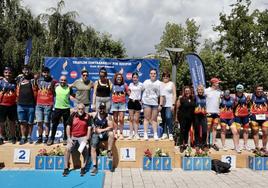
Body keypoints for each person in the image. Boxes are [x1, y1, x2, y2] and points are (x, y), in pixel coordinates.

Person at [62, 103, 92, 177]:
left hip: (83, 137)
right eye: (79, 109)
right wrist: (69, 138)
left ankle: (83, 167)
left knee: (85, 148)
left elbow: (89, 128)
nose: (81, 110)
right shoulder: (73, 115)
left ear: (84, 109)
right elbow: (68, 127)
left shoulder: (87, 116)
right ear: (77, 109)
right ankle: (66, 168)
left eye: (82, 109)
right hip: (73, 137)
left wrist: (86, 138)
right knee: (67, 148)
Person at [47, 75, 73, 146]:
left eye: (64, 80)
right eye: (61, 80)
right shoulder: (56, 87)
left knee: (66, 125)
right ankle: (51, 138)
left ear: (66, 81)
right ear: (59, 80)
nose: (63, 81)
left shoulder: (69, 88)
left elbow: (72, 96)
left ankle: (65, 138)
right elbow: (51, 83)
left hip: (66, 109)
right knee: (54, 124)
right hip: (57, 108)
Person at [90, 102, 114, 176]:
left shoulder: (108, 116)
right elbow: (85, 114)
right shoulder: (94, 114)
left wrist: (101, 130)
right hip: (96, 134)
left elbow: (111, 126)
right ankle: (94, 166)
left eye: (103, 108)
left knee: (111, 133)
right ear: (98, 108)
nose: (102, 110)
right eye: (100, 108)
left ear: (105, 109)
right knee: (93, 147)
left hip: (104, 133)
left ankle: (109, 151)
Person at [16, 65, 38, 145]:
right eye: (25, 70)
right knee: (22, 122)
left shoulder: (33, 79)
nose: (26, 71)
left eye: (28, 70)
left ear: (30, 70)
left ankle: (29, 137)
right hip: (20, 104)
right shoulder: (19, 79)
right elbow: (9, 80)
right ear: (22, 71)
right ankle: (23, 137)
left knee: (30, 122)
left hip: (31, 104)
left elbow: (39, 76)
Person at [35, 67, 57, 144]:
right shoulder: (38, 80)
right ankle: (40, 137)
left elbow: (55, 93)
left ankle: (46, 137)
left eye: (47, 72)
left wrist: (54, 104)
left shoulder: (53, 81)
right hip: (39, 104)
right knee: (39, 122)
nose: (46, 74)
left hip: (48, 104)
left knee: (47, 122)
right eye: (44, 72)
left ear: (49, 73)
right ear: (42, 73)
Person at [142, 68, 164, 141]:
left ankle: (155, 134)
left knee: (154, 119)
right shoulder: (146, 82)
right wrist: (140, 100)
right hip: (146, 102)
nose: (153, 75)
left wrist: (160, 104)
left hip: (155, 103)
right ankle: (145, 134)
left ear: (156, 74)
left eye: (154, 73)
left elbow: (161, 95)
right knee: (146, 118)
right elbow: (140, 90)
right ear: (149, 74)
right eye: (151, 73)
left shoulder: (159, 83)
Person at [0, 67, 17, 145]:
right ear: (4, 73)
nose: (8, 74)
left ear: (11, 73)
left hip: (12, 105)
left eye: (9, 73)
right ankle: (1, 137)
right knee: (1, 122)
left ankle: (12, 137)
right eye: (6, 73)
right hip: (2, 104)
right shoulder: (0, 82)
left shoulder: (15, 82)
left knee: (12, 122)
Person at [205, 77, 222, 151]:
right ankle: (206, 143)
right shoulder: (206, 90)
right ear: (213, 83)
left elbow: (220, 102)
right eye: (218, 83)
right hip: (209, 112)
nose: (218, 84)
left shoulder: (219, 92)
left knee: (215, 128)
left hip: (216, 113)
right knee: (208, 129)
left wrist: (220, 110)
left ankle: (213, 143)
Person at [176, 86, 195, 152]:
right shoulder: (181, 98)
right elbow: (177, 108)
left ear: (190, 91)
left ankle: (186, 144)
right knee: (182, 131)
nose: (187, 92)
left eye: (188, 90)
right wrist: (176, 118)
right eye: (186, 91)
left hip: (190, 117)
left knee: (187, 131)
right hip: (182, 117)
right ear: (184, 92)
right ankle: (181, 145)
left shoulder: (193, 98)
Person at [250, 85, 268, 152]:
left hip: (264, 117)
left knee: (265, 132)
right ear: (255, 90)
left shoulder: (265, 96)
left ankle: (264, 147)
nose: (260, 90)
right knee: (255, 132)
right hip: (254, 117)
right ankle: (257, 147)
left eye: (261, 89)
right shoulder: (251, 96)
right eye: (258, 89)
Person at [111, 72, 129, 139]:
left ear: (122, 79)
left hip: (122, 104)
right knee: (115, 119)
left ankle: (121, 133)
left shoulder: (125, 85)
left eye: (120, 78)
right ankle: (115, 133)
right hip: (114, 103)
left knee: (121, 119)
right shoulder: (112, 85)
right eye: (118, 78)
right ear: (115, 78)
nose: (119, 79)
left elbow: (129, 93)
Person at [233, 84, 250, 151]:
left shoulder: (246, 95)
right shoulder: (234, 96)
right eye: (238, 89)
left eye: (241, 89)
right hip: (237, 116)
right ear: (236, 89)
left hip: (245, 115)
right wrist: (235, 103)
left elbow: (250, 105)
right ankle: (237, 146)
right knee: (237, 131)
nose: (240, 91)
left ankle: (245, 145)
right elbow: (231, 107)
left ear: (243, 89)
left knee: (246, 130)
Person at [160, 71, 176, 140]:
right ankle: (164, 133)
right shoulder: (160, 84)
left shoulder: (171, 84)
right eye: (164, 76)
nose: (165, 77)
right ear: (162, 77)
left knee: (168, 117)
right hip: (162, 104)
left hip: (169, 104)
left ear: (169, 77)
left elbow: (174, 94)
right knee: (163, 119)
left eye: (167, 76)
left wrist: (173, 104)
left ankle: (170, 133)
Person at [127, 72, 143, 140]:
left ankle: (136, 134)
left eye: (136, 77)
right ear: (132, 78)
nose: (135, 79)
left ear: (138, 78)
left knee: (136, 120)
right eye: (134, 77)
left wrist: (141, 100)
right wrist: (130, 96)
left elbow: (144, 92)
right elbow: (128, 91)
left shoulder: (141, 85)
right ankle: (131, 134)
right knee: (131, 119)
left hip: (137, 102)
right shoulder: (130, 84)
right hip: (131, 102)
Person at [193, 85, 207, 150]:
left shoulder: (205, 97)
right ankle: (197, 144)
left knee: (204, 131)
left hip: (203, 116)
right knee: (197, 131)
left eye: (201, 90)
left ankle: (204, 144)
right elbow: (192, 106)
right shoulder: (195, 97)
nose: (200, 91)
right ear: (197, 91)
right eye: (199, 90)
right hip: (196, 116)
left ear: (203, 91)